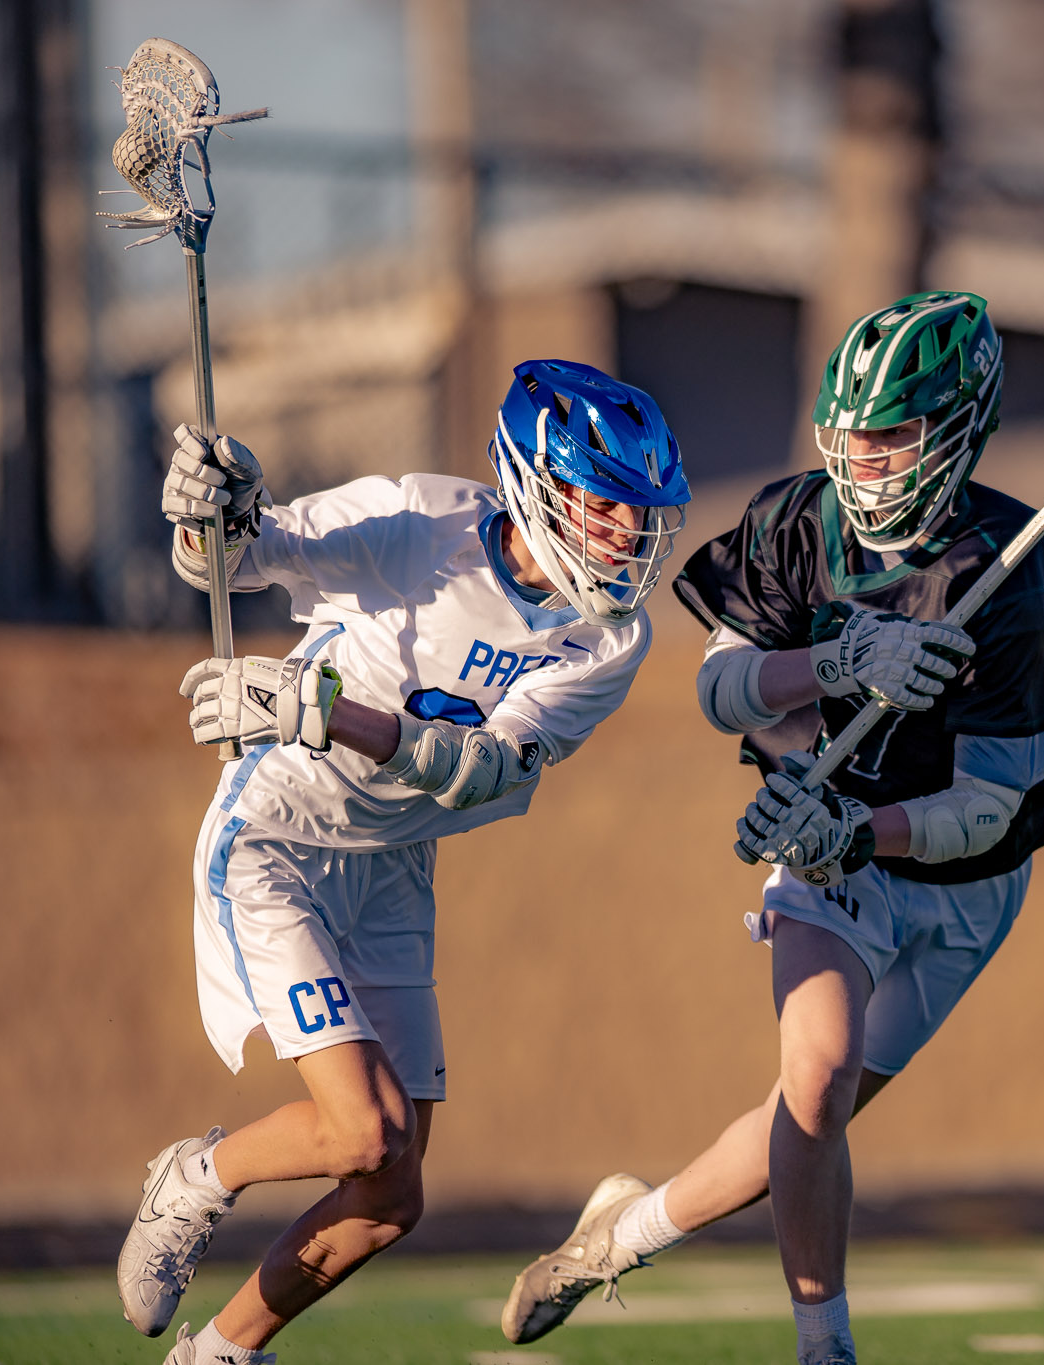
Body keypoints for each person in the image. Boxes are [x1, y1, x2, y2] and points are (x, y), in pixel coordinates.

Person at [500, 291, 1044, 1364]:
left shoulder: (1009, 569)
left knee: (790, 1129)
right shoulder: (793, 519)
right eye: (851, 433)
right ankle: (827, 1350)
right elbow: (721, 691)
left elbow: (988, 807)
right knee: (815, 1078)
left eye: (891, 434)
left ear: (955, 429)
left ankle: (614, 1240)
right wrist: (835, 665)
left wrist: (858, 837)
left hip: (958, 874)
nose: (862, 459)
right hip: (822, 842)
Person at [115, 359, 691, 1363]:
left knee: (390, 1196)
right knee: (364, 1134)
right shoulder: (416, 521)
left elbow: (477, 776)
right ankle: (199, 1178)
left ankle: (216, 1355)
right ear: (535, 488)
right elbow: (234, 563)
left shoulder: (609, 640)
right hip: (279, 837)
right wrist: (212, 510)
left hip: (391, 865)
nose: (626, 537)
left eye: (640, 516)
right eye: (605, 509)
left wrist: (324, 709)